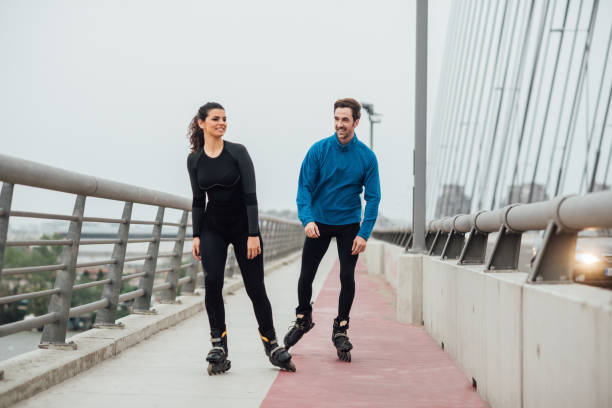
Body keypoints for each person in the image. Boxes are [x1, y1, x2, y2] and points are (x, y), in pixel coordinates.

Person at [187, 102, 295, 375]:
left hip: (243, 227)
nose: (222, 123)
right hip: (213, 227)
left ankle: (271, 343)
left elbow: (250, 196)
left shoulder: (238, 152)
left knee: (255, 287)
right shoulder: (194, 160)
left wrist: (252, 234)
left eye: (224, 119)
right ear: (202, 123)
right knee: (212, 282)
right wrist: (196, 235)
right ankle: (218, 346)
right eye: (215, 119)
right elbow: (198, 200)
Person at [284, 98, 381, 362]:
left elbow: (373, 197)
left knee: (347, 277)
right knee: (306, 277)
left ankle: (341, 329)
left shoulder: (367, 157)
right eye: (337, 119)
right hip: (319, 223)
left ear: (356, 122)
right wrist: (307, 219)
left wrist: (364, 233)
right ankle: (303, 318)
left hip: (349, 224)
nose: (340, 124)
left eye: (345, 119)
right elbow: (304, 187)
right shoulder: (318, 150)